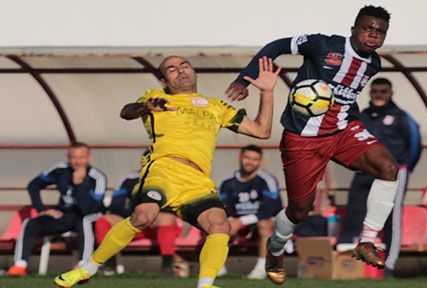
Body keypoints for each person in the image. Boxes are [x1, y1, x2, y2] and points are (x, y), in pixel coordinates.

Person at [54, 56, 281, 288]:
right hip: (163, 170)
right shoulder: (156, 97)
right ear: (164, 81)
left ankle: (206, 285)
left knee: (220, 225)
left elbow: (261, 131)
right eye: (172, 69)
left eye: (184, 65)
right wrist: (146, 107)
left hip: (197, 181)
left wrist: (268, 92)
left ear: (193, 71)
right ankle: (86, 269)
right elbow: (126, 112)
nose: (180, 71)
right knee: (143, 216)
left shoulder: (216, 106)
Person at [226, 5, 399, 285]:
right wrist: (245, 78)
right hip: (302, 139)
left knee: (389, 168)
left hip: (343, 131)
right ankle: (275, 249)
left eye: (380, 32)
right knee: (299, 211)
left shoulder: (373, 64)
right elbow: (278, 45)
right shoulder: (323, 44)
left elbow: (345, 95)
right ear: (354, 28)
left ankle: (367, 241)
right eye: (368, 28)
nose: (373, 35)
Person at [337, 77, 422, 276]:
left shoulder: (400, 116)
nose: (379, 95)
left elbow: (415, 143)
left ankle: (390, 266)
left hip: (393, 173)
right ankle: (348, 266)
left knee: (392, 217)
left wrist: (406, 167)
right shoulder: (363, 115)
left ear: (391, 93)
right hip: (364, 170)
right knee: (355, 211)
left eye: (383, 91)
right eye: (375, 91)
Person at [6, 142, 106, 276]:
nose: (77, 162)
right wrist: (42, 210)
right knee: (30, 223)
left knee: (85, 221)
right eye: (73, 158)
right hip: (65, 215)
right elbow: (33, 185)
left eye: (81, 158)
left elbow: (89, 209)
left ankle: (83, 266)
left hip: (89, 215)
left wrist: (79, 184)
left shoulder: (97, 177)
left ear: (89, 157)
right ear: (68, 157)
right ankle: (19, 266)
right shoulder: (60, 169)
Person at [95, 151, 188, 277]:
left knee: (165, 218)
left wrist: (156, 214)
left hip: (162, 226)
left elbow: (181, 206)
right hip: (137, 224)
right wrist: (139, 215)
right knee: (104, 220)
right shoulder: (130, 179)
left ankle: (167, 265)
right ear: (142, 161)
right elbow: (116, 205)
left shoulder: (173, 179)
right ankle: (109, 263)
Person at [219, 145, 282, 279]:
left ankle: (261, 268)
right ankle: (218, 267)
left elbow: (268, 210)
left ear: (260, 162)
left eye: (255, 159)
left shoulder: (267, 180)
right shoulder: (228, 183)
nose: (250, 162)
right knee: (219, 225)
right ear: (239, 157)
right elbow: (224, 208)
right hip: (239, 224)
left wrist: (242, 221)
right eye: (247, 158)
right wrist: (230, 221)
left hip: (263, 223)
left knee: (264, 225)